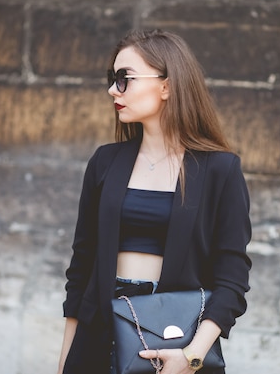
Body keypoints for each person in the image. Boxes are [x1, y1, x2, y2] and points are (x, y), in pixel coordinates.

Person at [57, 29, 252, 374]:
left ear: (167, 86)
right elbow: (81, 270)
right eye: (112, 79)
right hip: (96, 339)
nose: (112, 90)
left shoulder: (220, 170)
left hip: (175, 343)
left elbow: (232, 281)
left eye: (124, 79)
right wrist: (65, 364)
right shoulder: (104, 162)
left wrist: (192, 357)